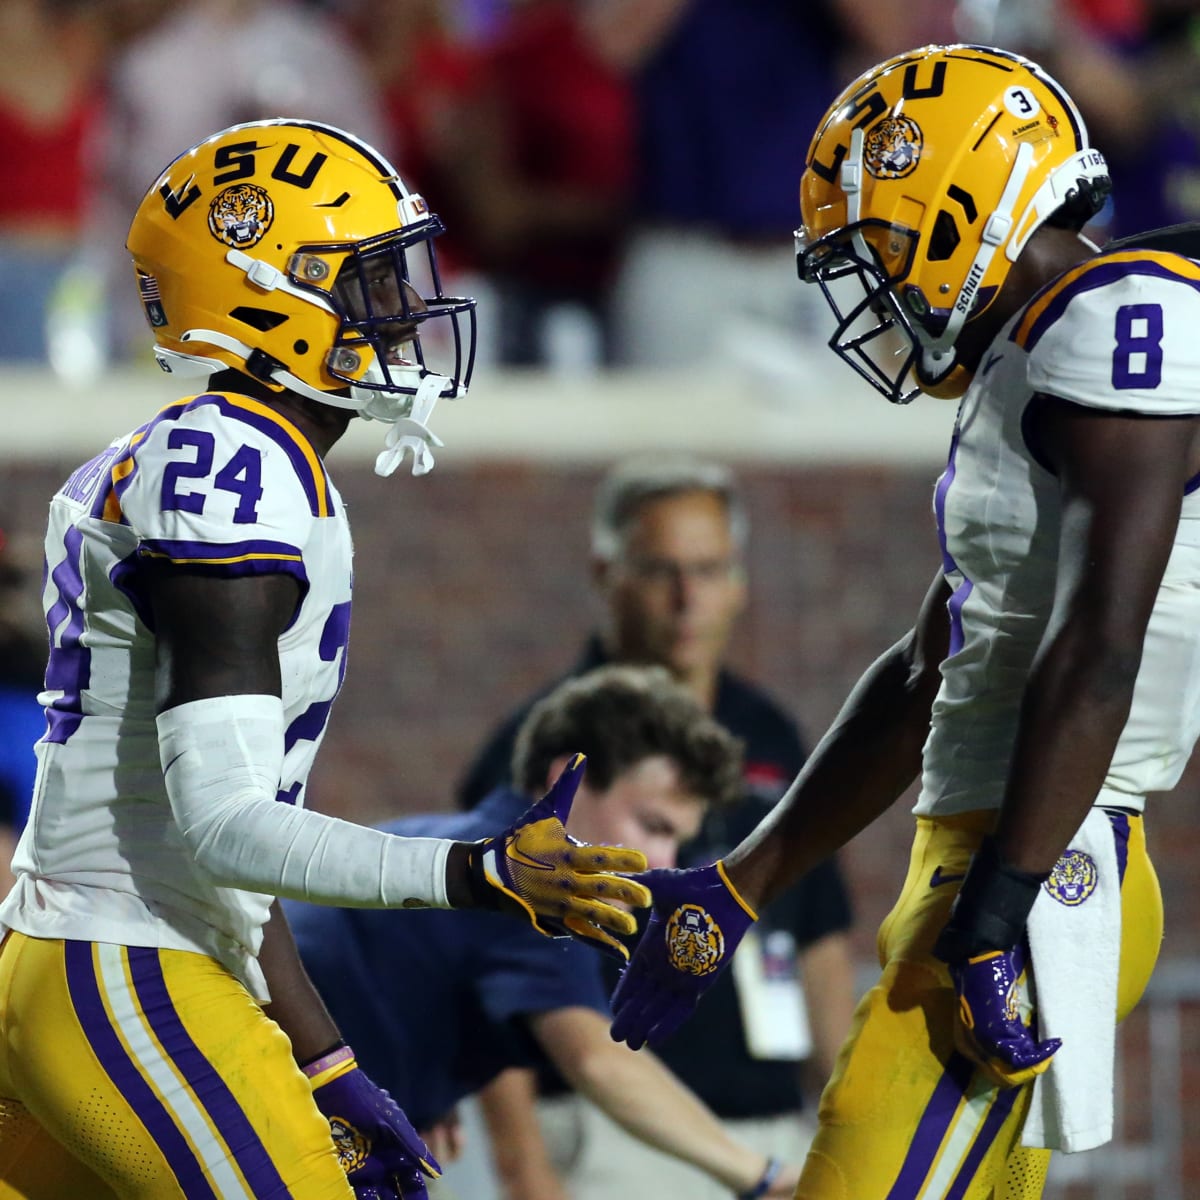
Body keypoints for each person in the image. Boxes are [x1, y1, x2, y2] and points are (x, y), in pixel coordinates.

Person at [0, 117, 655, 1200]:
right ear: (261, 293)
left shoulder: (233, 457)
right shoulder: (231, 463)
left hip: (117, 956)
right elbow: (223, 826)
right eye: (369, 280)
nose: (402, 309)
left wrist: (329, 1059)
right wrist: (476, 870)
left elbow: (224, 866)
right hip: (125, 968)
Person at [609, 42, 1192, 1199]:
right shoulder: (1032, 355)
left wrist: (993, 916)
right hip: (995, 860)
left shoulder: (1112, 316)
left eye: (877, 243)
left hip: (1046, 863)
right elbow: (934, 663)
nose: (868, 283)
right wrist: (745, 878)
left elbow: (1101, 645)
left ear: (959, 210)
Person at [458, 457, 857, 1198]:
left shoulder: (767, 732)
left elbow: (817, 940)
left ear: (739, 581)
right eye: (661, 570)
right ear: (606, 574)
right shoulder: (547, 748)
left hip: (771, 1125)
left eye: (709, 570)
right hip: (609, 1133)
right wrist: (524, 1167)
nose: (687, 599)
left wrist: (850, 1121)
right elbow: (489, 967)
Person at [285, 665, 799, 1200]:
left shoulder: (448, 838)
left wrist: (417, 1085)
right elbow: (597, 1060)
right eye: (652, 825)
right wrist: (762, 1175)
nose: (662, 863)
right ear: (564, 783)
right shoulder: (524, 885)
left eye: (678, 842)